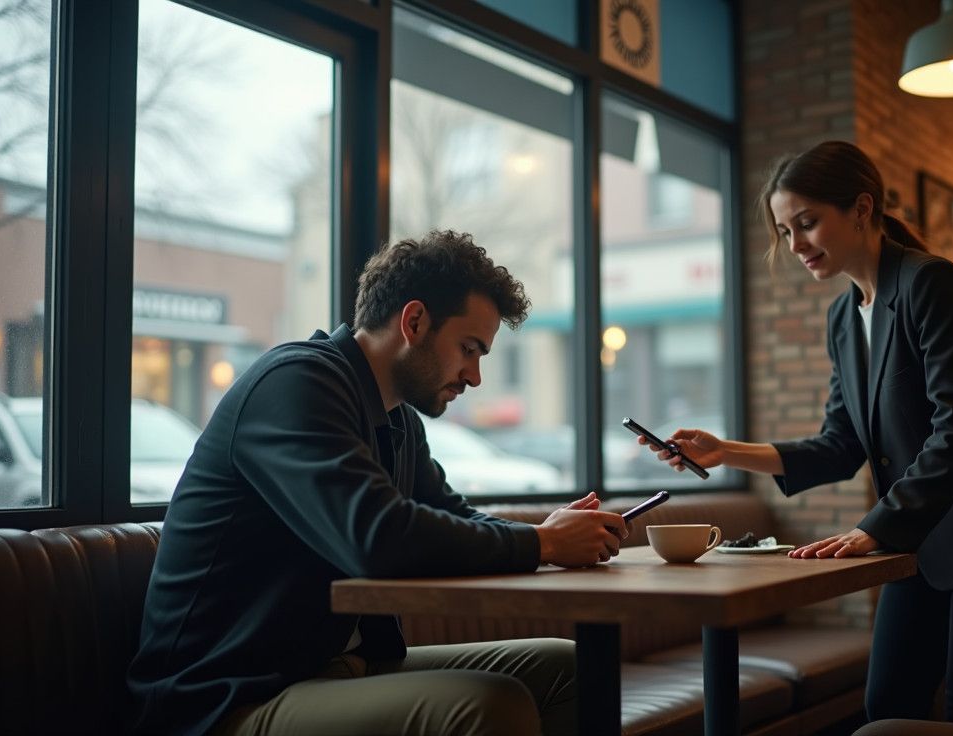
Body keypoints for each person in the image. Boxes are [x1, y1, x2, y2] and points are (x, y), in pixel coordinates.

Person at [128, 230, 626, 736]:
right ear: (414, 322)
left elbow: (450, 515)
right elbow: (376, 538)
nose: (475, 376)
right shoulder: (295, 383)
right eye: (469, 349)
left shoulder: (397, 418)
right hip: (225, 699)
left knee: (572, 669)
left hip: (337, 669)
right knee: (489, 705)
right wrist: (543, 543)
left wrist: (551, 533)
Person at [641, 141, 953, 731]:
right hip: (920, 546)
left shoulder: (930, 284)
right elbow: (839, 446)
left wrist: (873, 530)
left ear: (862, 209)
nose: (795, 244)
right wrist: (724, 451)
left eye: (807, 223)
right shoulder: (843, 318)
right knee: (886, 707)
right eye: (785, 231)